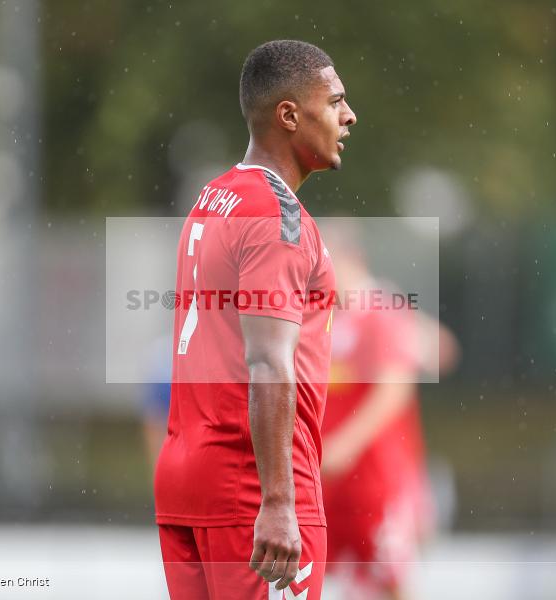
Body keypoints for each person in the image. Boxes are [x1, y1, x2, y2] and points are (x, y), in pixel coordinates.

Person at [154, 40, 357, 600]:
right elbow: (268, 360)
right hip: (252, 488)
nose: (348, 116)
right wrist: (279, 502)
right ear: (289, 115)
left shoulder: (215, 196)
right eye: (334, 101)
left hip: (188, 477)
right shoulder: (276, 216)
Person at [320, 224, 459, 600]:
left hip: (378, 482)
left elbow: (397, 387)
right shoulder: (327, 318)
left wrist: (342, 447)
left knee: (390, 582)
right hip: (333, 483)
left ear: (353, 260)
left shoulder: (379, 311)